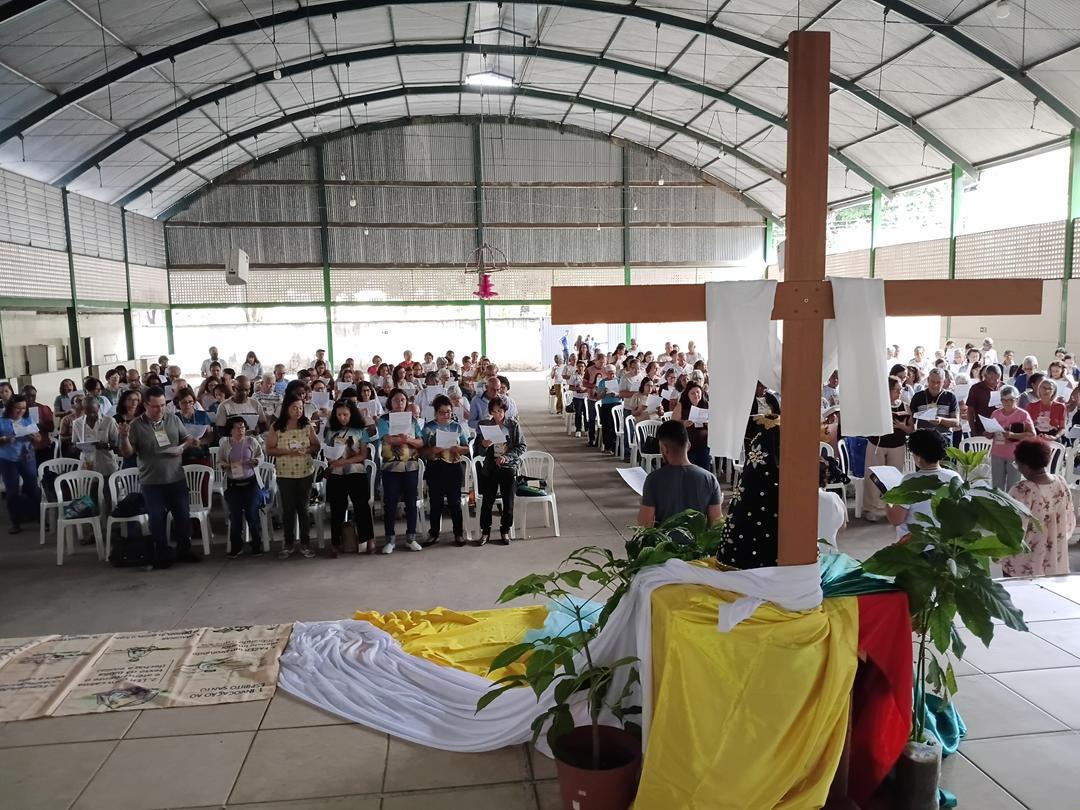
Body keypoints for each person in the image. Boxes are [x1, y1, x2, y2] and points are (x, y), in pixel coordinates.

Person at [118, 386, 200, 567]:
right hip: (152, 481)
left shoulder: (173, 419)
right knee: (156, 519)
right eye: (155, 406)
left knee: (182, 516)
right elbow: (128, 453)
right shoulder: (136, 425)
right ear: (146, 405)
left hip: (176, 478)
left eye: (163, 405)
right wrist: (124, 438)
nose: (160, 410)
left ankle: (184, 550)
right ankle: (162, 553)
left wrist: (187, 445)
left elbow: (186, 438)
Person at [1003, 439, 1074, 577]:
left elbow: (1012, 529)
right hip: (1055, 559)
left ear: (1026, 466)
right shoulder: (1061, 483)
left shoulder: (1022, 490)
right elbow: (1068, 523)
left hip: (1026, 564)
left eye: (1017, 464)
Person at [638, 420, 722, 527]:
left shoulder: (653, 479)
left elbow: (645, 525)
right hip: (697, 538)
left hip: (664, 538)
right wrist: (718, 501)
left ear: (664, 448)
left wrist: (644, 502)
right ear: (688, 445)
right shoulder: (709, 479)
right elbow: (716, 526)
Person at [266, 394, 320, 559]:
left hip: (305, 472)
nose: (298, 411)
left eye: (301, 408)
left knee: (303, 508)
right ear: (286, 409)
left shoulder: (306, 425)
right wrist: (286, 451)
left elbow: (316, 445)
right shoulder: (277, 426)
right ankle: (288, 543)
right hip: (285, 473)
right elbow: (269, 449)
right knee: (288, 509)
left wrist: (307, 450)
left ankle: (305, 543)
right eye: (294, 408)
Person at [886, 430, 962, 542]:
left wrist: (887, 499)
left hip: (915, 543)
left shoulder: (910, 481)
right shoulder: (954, 477)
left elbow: (896, 520)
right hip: (945, 543)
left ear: (919, 457)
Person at [322, 400, 376, 557]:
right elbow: (327, 451)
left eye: (345, 414)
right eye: (339, 414)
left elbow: (363, 455)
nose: (342, 418)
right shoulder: (331, 431)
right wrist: (332, 460)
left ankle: (369, 539)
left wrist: (344, 461)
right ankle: (336, 542)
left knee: (362, 506)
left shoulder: (360, 431)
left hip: (355, 470)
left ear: (352, 414)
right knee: (337, 507)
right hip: (336, 472)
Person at [377, 388, 425, 553]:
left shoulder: (412, 419)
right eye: (396, 400)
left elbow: (420, 442)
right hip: (391, 468)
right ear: (390, 402)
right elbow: (387, 439)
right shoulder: (384, 420)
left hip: (410, 466)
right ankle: (390, 539)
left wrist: (408, 440)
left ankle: (411, 538)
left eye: (403, 400)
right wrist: (404, 439)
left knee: (411, 503)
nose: (399, 403)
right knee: (390, 503)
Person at [473, 396, 526, 546]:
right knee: (487, 501)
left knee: (508, 502)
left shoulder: (513, 425)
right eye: (495, 411)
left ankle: (505, 530)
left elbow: (522, 446)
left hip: (508, 467)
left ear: (505, 411)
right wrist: (484, 445)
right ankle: (485, 531)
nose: (498, 414)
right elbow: (479, 452)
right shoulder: (485, 426)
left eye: (501, 411)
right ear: (490, 412)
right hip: (491, 467)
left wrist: (506, 457)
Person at [421, 394, 470, 547]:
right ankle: (434, 533)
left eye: (448, 412)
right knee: (436, 503)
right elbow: (422, 450)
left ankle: (458, 533)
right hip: (435, 468)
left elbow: (467, 448)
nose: (445, 415)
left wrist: (459, 448)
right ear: (436, 413)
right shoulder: (428, 427)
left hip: (454, 467)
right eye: (442, 412)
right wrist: (433, 450)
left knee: (455, 502)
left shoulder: (456, 426)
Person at [864, 376, 911, 523]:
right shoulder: (877, 405)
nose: (899, 392)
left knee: (893, 480)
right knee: (873, 478)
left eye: (901, 389)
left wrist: (902, 426)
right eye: (896, 390)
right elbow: (867, 423)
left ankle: (890, 509)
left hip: (897, 445)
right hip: (877, 443)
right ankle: (872, 508)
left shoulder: (905, 406)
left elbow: (911, 429)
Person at [218, 415, 265, 559]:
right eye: (237, 428)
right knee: (235, 516)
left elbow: (261, 456)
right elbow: (219, 461)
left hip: (251, 483)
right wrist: (225, 466)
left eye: (243, 427)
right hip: (233, 485)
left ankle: (256, 544)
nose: (241, 431)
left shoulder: (251, 441)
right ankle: (236, 546)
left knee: (252, 513)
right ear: (230, 430)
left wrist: (255, 461)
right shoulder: (225, 444)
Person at [0, 395, 41, 534]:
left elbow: (39, 437)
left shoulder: (27, 419)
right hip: (8, 459)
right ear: (10, 407)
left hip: (27, 457)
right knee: (12, 491)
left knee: (33, 488)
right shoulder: (2, 420)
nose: (21, 411)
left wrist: (35, 437)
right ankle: (15, 522)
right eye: (18, 408)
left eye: (23, 408)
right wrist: (5, 440)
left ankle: (40, 518)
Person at [988, 385, 1035, 490]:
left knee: (1013, 486)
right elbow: (989, 433)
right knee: (997, 487)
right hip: (997, 453)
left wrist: (1013, 435)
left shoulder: (1022, 414)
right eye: (1004, 400)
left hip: (1015, 455)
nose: (1007, 403)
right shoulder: (995, 413)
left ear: (1017, 399)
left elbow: (1032, 434)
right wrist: (988, 433)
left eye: (1010, 400)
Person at [71, 398, 119, 476]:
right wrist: (76, 448)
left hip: (106, 465)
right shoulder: (77, 423)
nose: (91, 415)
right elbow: (74, 443)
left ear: (99, 407)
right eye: (88, 412)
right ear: (83, 409)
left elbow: (117, 443)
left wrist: (106, 445)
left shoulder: (109, 421)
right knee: (88, 483)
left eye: (94, 412)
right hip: (86, 464)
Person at [909, 368, 959, 438]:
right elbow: (911, 421)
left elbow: (956, 422)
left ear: (943, 382)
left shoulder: (950, 396)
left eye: (938, 382)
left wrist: (941, 420)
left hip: (943, 437)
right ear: (928, 380)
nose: (935, 385)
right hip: (923, 437)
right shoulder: (918, 397)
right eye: (932, 382)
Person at [673, 381, 710, 470]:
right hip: (687, 443)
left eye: (698, 392)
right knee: (690, 468)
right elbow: (672, 424)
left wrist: (708, 423)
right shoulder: (681, 406)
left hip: (704, 443)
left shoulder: (706, 405)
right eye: (692, 393)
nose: (696, 395)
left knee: (704, 466)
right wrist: (683, 423)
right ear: (688, 395)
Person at [174, 389, 213, 466]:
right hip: (182, 457)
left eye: (190, 402)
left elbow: (210, 436)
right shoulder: (175, 418)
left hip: (202, 454)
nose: (188, 405)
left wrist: (200, 442)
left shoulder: (202, 415)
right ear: (178, 403)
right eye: (184, 402)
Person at [965, 363, 1003, 438]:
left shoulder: (1003, 387)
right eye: (992, 379)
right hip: (981, 428)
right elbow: (970, 411)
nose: (995, 381)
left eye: (998, 378)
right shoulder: (976, 388)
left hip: (1000, 428)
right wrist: (973, 430)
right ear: (985, 376)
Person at [596, 365, 622, 454]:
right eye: (610, 373)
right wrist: (604, 392)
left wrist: (616, 394)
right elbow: (599, 397)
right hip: (606, 405)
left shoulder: (619, 381)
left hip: (617, 404)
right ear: (606, 373)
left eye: (613, 373)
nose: (612, 375)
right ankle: (607, 446)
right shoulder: (602, 382)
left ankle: (616, 447)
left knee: (616, 425)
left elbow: (622, 394)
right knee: (607, 426)